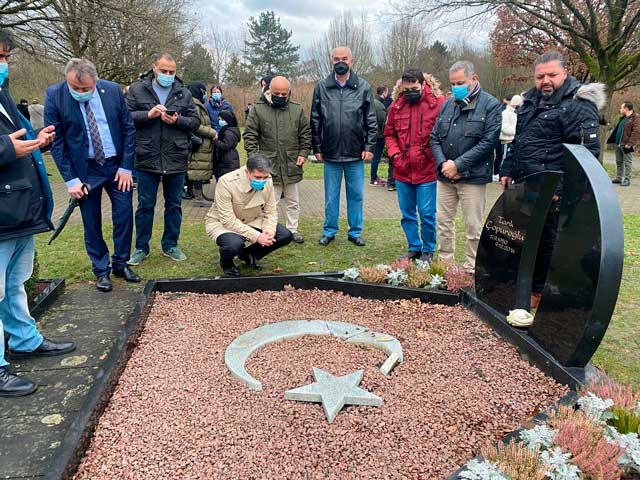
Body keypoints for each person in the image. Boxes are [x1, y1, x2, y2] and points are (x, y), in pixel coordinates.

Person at [0, 28, 75, 397]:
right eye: (0, 56)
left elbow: (13, 146)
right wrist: (5, 149)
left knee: (14, 285)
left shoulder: (3, 97)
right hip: (2, 212)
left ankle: (25, 341)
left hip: (17, 211)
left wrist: (37, 143)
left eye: (6, 58)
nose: (4, 65)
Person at [499, 51, 604, 308]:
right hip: (526, 184)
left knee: (547, 242)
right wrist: (507, 169)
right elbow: (518, 140)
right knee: (522, 237)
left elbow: (587, 154)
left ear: (565, 73)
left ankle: (538, 291)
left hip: (553, 190)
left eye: (551, 75)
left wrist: (562, 189)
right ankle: (520, 283)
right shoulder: (529, 101)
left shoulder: (579, 104)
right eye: (540, 76)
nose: (545, 80)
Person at [45, 57, 140, 292]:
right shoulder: (55, 95)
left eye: (85, 89)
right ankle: (100, 269)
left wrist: (127, 166)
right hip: (85, 170)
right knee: (91, 220)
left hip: (117, 167)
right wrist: (70, 179)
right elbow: (56, 143)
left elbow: (128, 129)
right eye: (74, 88)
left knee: (124, 215)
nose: (79, 92)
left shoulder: (113, 91)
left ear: (95, 82)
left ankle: (120, 263)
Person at [126, 52, 200, 265]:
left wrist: (176, 120)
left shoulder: (182, 93)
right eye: (164, 71)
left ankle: (170, 245)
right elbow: (126, 118)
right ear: (154, 68)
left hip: (176, 156)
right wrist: (148, 115)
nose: (168, 75)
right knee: (145, 205)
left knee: (174, 205)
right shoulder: (137, 90)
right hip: (146, 156)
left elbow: (195, 122)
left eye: (172, 72)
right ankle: (141, 247)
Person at [430, 60, 502, 273]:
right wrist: (444, 163)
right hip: (445, 177)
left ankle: (472, 267)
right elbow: (434, 137)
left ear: (474, 79)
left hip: (473, 177)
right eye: (452, 84)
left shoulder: (490, 105)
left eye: (460, 82)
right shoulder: (447, 104)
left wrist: (458, 165)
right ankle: (445, 266)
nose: (455, 88)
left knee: (473, 226)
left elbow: (488, 142)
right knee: (443, 223)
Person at [310, 46, 377, 247]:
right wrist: (317, 147)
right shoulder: (321, 87)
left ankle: (355, 232)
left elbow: (371, 120)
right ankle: (329, 230)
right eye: (336, 58)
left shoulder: (363, 87)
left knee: (356, 195)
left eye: (344, 58)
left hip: (355, 152)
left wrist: (369, 146)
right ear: (331, 61)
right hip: (330, 153)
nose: (340, 62)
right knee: (331, 196)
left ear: (352, 61)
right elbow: (315, 119)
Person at [385, 68, 444, 263]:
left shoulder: (438, 104)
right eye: (406, 88)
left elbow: (443, 134)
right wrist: (394, 155)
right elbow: (389, 133)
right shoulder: (396, 106)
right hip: (403, 169)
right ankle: (414, 247)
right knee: (407, 214)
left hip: (427, 169)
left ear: (423, 85)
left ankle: (428, 249)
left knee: (427, 214)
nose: (410, 92)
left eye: (414, 88)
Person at [243, 75, 312, 244]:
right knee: (268, 203)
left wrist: (303, 153)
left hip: (291, 163)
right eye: (277, 93)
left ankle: (292, 230)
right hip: (268, 166)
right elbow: (250, 135)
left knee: (293, 201)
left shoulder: (297, 110)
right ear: (269, 91)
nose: (280, 97)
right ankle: (268, 231)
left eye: (284, 94)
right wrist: (255, 161)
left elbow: (305, 134)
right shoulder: (258, 110)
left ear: (289, 93)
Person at [205, 154, 293, 276]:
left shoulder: (268, 180)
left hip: (253, 219)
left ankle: (249, 254)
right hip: (222, 222)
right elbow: (227, 220)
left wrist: (269, 231)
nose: (262, 181)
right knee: (233, 245)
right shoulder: (226, 182)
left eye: (264, 177)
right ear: (247, 172)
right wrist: (258, 236)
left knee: (285, 235)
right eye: (257, 177)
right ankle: (227, 263)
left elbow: (271, 211)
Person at [185, 81, 217, 207]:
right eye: (204, 91)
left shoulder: (197, 104)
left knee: (199, 168)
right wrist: (212, 133)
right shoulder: (194, 105)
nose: (205, 94)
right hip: (198, 142)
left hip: (201, 142)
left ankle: (199, 194)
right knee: (198, 169)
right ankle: (198, 197)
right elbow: (196, 125)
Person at [607, 101, 639, 187]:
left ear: (626, 109)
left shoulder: (635, 117)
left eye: (621, 108)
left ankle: (627, 179)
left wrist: (630, 143)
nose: (620, 109)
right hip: (619, 144)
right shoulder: (624, 118)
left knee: (627, 162)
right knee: (619, 161)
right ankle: (618, 178)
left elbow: (636, 132)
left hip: (627, 144)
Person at [496, 94, 523, 178]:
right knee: (503, 158)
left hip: (513, 140)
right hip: (506, 140)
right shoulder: (505, 113)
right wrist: (517, 132)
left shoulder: (517, 114)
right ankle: (500, 174)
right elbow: (504, 128)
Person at [213, 110, 241, 180]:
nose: (220, 121)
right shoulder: (227, 130)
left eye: (221, 119)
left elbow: (226, 145)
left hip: (228, 160)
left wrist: (215, 140)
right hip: (227, 159)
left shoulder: (229, 132)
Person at [370, 86, 389, 187]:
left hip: (371, 135)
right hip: (379, 136)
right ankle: (373, 178)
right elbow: (383, 122)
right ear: (384, 92)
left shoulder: (371, 102)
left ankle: (374, 176)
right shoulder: (381, 106)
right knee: (376, 157)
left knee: (374, 156)